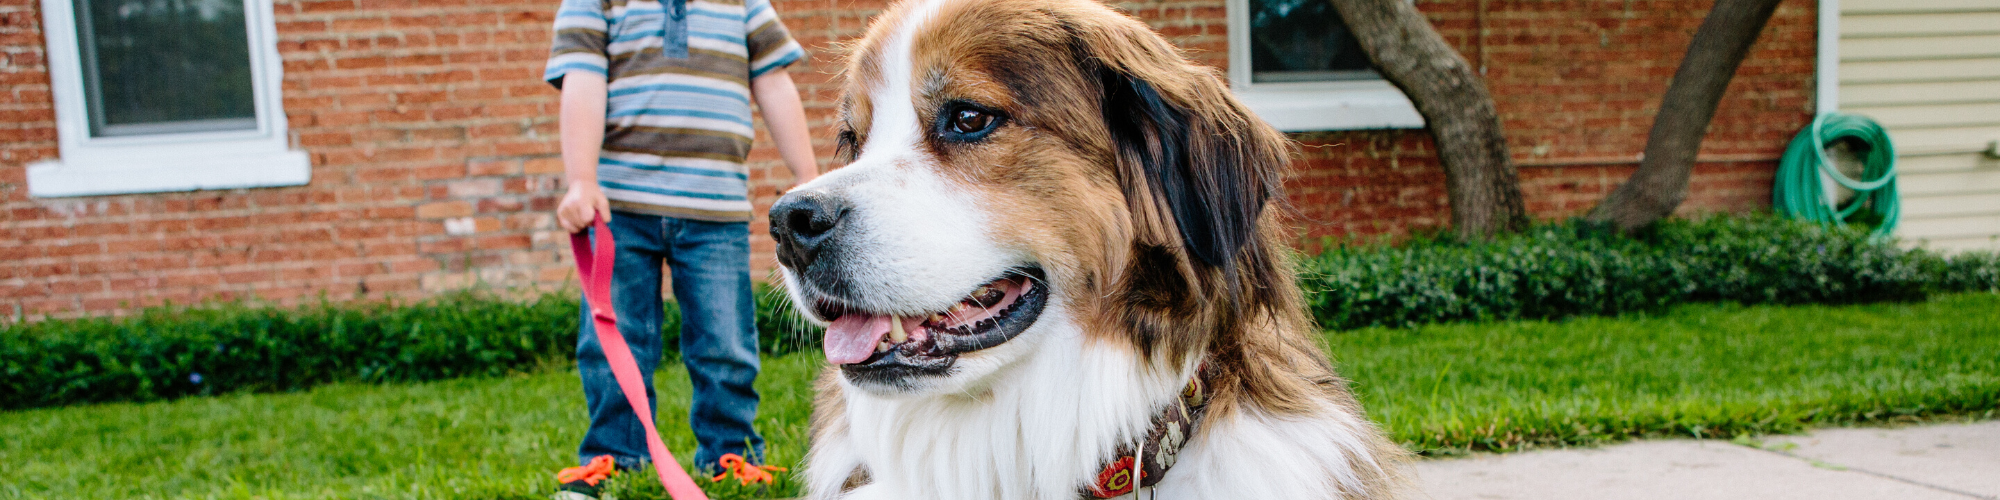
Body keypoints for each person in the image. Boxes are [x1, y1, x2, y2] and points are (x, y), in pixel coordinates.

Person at [541, 0, 817, 496]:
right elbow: (582, 80)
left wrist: (808, 177)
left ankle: (730, 451)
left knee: (725, 342)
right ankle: (613, 454)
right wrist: (581, 180)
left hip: (716, 207)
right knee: (614, 341)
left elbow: (774, 82)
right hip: (620, 207)